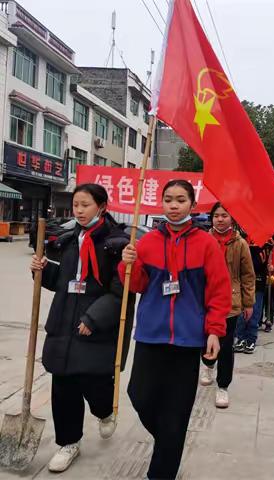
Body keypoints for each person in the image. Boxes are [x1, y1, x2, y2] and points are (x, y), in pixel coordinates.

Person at [120, 180, 231, 480]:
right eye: (168, 199)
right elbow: (138, 285)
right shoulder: (147, 242)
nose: (173, 205)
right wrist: (127, 265)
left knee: (177, 411)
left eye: (180, 200)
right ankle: (169, 440)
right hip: (150, 335)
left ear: (192, 205)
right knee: (139, 396)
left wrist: (214, 331)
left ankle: (162, 471)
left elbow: (219, 291)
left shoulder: (206, 244)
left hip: (186, 339)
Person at [30, 183, 136, 473]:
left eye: (85, 204)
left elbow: (120, 292)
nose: (78, 210)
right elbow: (62, 283)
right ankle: (68, 442)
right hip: (64, 321)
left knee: (95, 382)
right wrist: (42, 271)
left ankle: (104, 411)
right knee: (63, 385)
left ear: (101, 206)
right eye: (76, 204)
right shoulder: (69, 240)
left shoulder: (117, 243)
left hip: (96, 327)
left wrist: (94, 319)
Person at [199, 203, 255, 408]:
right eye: (216, 216)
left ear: (232, 218)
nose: (220, 219)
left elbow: (248, 276)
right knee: (203, 339)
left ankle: (223, 386)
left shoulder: (240, 244)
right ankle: (208, 364)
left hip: (230, 303)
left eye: (224, 215)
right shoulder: (203, 240)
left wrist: (249, 303)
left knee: (225, 345)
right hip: (204, 300)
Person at [235, 238, 269, 353]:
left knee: (254, 313)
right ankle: (240, 338)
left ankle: (251, 340)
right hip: (241, 284)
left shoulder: (265, 246)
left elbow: (255, 264)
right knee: (240, 314)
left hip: (257, 285)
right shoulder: (241, 242)